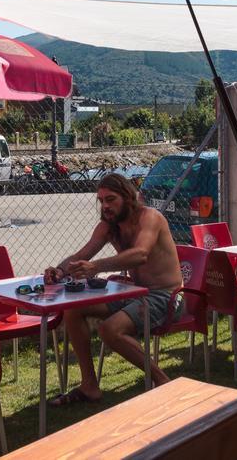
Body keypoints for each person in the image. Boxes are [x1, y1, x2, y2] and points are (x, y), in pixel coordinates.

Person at [45, 173, 183, 405]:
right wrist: (59, 270)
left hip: (165, 296)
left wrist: (96, 266)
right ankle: (89, 386)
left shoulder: (150, 217)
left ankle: (163, 382)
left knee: (110, 330)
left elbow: (141, 254)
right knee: (73, 309)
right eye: (101, 201)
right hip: (133, 293)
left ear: (127, 197)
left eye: (111, 199)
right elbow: (82, 255)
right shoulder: (109, 227)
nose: (105, 206)